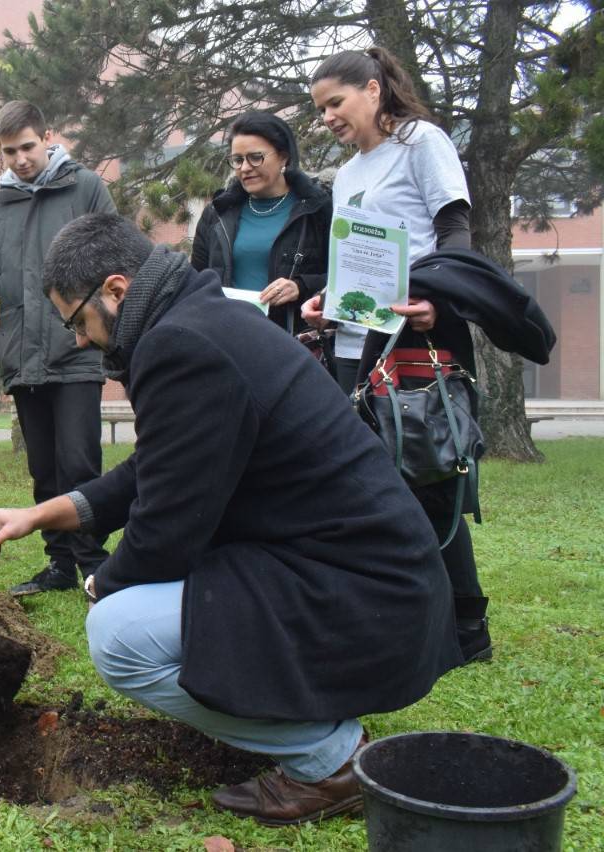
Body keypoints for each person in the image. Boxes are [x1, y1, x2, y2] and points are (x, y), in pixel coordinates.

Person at [0, 212, 461, 825]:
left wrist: (108, 582)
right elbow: (155, 471)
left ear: (117, 291)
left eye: (76, 320)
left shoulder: (179, 345)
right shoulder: (201, 318)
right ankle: (299, 725)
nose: (77, 340)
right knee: (144, 610)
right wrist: (39, 515)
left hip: (360, 596)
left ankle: (329, 759)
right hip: (364, 578)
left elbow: (169, 527)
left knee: (118, 636)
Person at [303, 47, 490, 663]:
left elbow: (455, 230)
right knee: (369, 488)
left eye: (336, 102)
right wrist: (325, 300)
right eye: (319, 108)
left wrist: (440, 299)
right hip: (354, 347)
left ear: (374, 89)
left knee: (429, 478)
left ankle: (467, 628)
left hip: (413, 342)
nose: (327, 117)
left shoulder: (421, 142)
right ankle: (404, 615)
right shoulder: (351, 173)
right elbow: (360, 257)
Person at [0, 100, 115, 596]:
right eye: (8, 152)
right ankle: (59, 564)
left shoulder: (85, 187)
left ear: (48, 136)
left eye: (27, 147)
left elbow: (116, 253)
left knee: (80, 463)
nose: (20, 159)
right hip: (23, 354)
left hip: (78, 347)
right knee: (43, 467)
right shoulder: (0, 204)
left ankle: (92, 562)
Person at [190, 111, 331, 332]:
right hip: (229, 339)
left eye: (256, 157)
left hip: (293, 342)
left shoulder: (317, 208)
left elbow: (344, 278)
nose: (245, 168)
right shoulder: (217, 213)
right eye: (237, 160)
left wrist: (300, 286)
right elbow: (196, 282)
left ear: (283, 157)